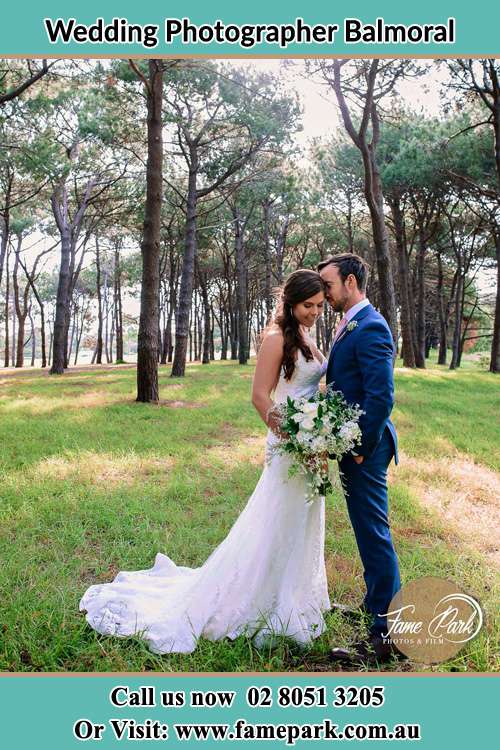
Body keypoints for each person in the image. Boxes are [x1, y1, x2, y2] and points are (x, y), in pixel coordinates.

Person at [79, 269, 331, 654]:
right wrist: (297, 438)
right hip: (289, 445)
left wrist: (324, 429)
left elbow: (313, 385)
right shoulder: (276, 338)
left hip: (312, 444)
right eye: (307, 305)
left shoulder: (308, 337)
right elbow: (260, 398)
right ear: (291, 302)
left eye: (318, 306)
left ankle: (293, 596)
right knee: (277, 519)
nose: (314, 312)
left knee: (302, 519)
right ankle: (258, 599)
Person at [319, 253, 403, 665]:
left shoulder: (370, 326)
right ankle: (376, 608)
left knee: (373, 535)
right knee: (367, 532)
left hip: (365, 449)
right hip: (353, 444)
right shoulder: (348, 323)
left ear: (350, 282)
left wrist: (358, 447)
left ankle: (387, 636)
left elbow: (381, 396)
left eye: (328, 285)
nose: (324, 292)